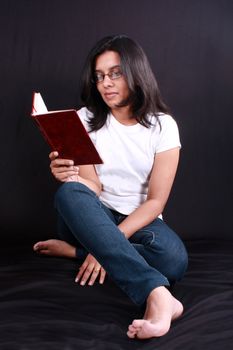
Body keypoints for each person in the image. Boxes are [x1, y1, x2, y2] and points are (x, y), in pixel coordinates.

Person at [33, 34, 188, 339]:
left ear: (135, 72)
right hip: (91, 216)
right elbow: (92, 185)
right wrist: (68, 176)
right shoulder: (85, 119)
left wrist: (107, 243)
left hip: (139, 220)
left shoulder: (163, 126)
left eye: (115, 73)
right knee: (69, 193)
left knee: (174, 259)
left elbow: (156, 202)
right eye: (99, 76)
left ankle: (77, 253)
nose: (105, 83)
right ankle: (158, 296)